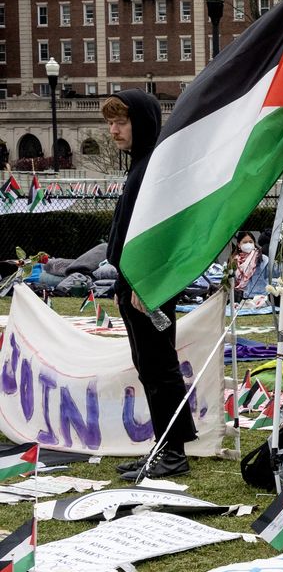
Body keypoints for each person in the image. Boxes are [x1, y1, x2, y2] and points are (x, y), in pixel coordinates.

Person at [103, 90, 196, 480]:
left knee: (159, 368)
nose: (114, 130)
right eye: (110, 123)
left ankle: (173, 453)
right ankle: (165, 447)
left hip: (148, 286)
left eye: (121, 122)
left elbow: (159, 235)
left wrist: (147, 283)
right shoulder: (141, 166)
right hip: (135, 284)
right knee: (150, 367)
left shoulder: (152, 169)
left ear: (141, 123)